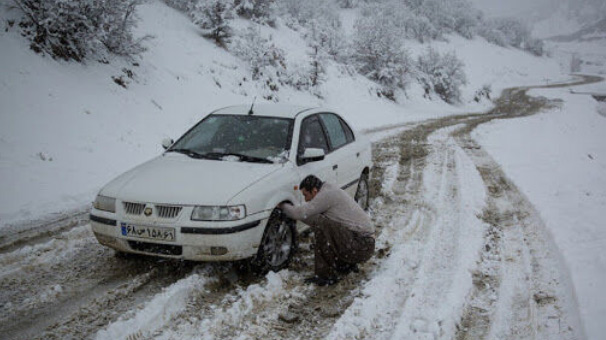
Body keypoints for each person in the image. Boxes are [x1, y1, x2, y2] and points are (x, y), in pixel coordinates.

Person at [279, 175, 375, 286]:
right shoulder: (329, 190)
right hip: (361, 244)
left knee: (322, 225)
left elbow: (302, 213)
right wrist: (294, 212)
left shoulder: (326, 195)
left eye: (306, 195)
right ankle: (345, 265)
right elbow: (309, 217)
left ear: (314, 191)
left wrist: (283, 206)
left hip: (361, 247)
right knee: (326, 224)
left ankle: (326, 276)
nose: (306, 200)